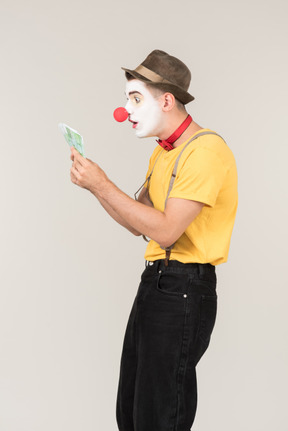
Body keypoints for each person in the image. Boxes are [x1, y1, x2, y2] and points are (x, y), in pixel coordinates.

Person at [70, 49, 238, 431]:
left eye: (135, 98)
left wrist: (103, 183)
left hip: (184, 287)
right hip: (156, 283)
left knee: (160, 416)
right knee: (132, 411)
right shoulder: (163, 154)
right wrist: (95, 187)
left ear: (166, 100)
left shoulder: (205, 150)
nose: (125, 110)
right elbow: (138, 223)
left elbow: (165, 230)